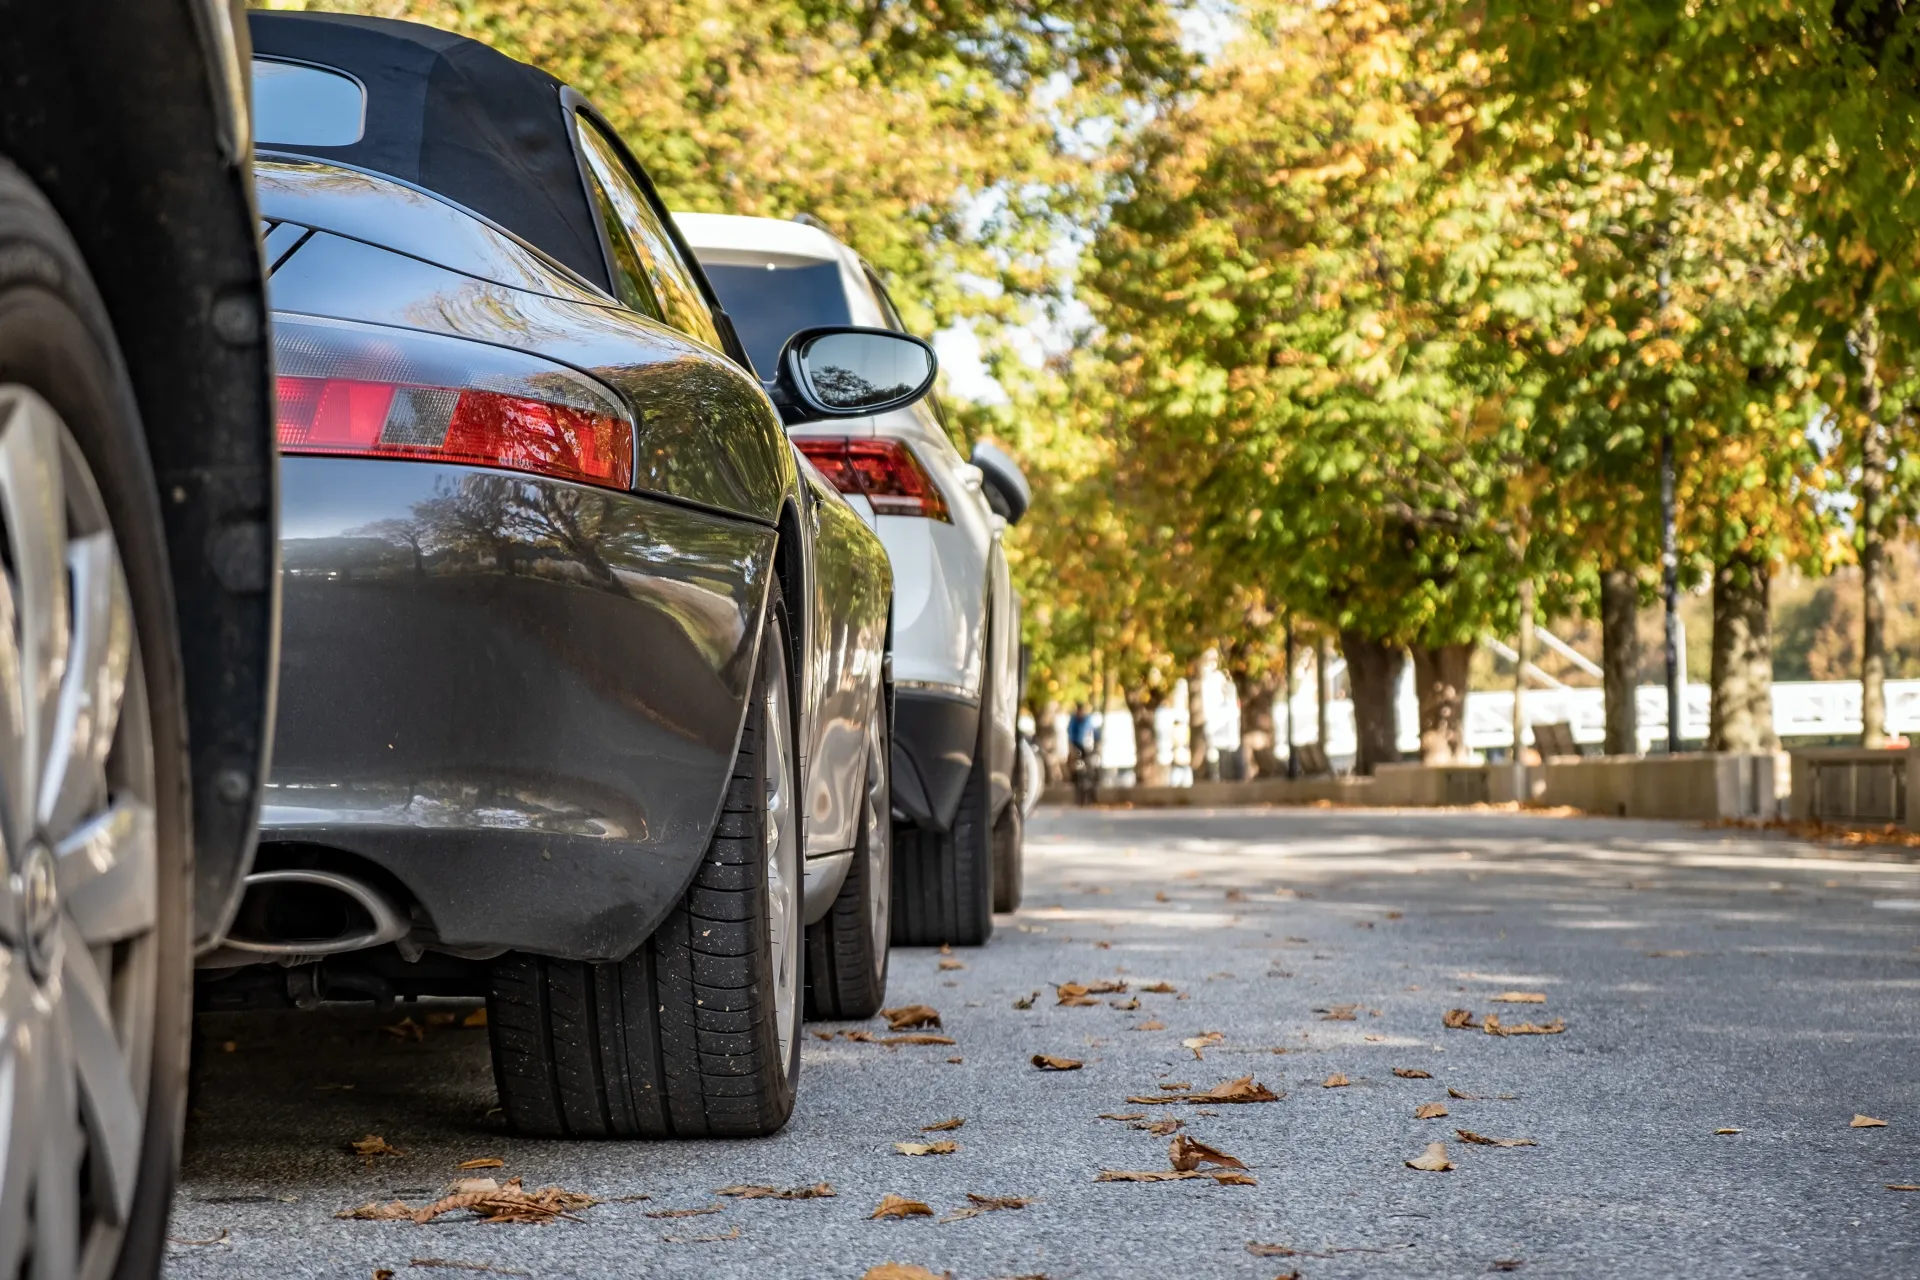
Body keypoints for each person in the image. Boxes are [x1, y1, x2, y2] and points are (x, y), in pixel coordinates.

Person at [1067, 702, 1101, 803]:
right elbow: (1071, 736)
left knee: (1092, 770)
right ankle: (1078, 795)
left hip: (1088, 748)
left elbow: (1096, 734)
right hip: (1077, 747)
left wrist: (1096, 747)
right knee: (1076, 769)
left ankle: (1092, 794)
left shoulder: (1088, 720)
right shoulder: (1073, 720)